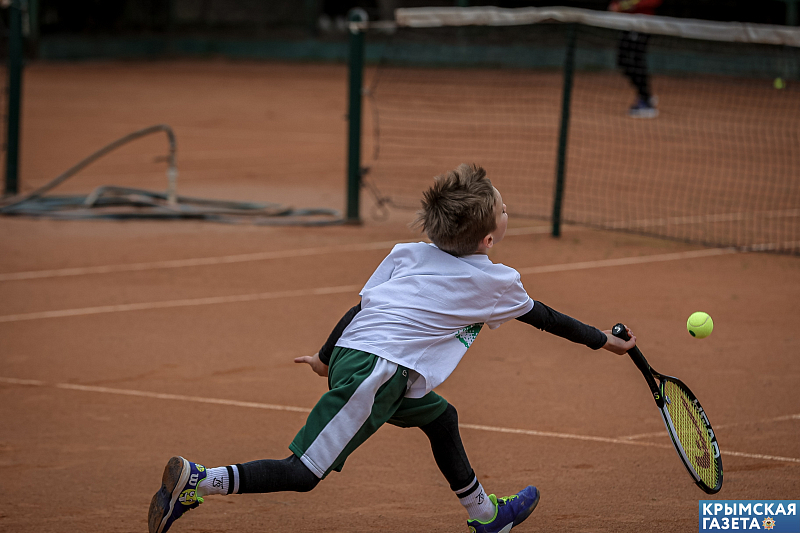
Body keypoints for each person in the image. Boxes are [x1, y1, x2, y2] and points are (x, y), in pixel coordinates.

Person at [147, 163, 636, 533]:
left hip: (363, 356)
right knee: (305, 472)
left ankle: (486, 516)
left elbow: (362, 307)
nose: (508, 212)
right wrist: (606, 341)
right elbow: (547, 318)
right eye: (504, 211)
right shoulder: (495, 283)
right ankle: (199, 481)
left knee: (441, 418)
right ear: (488, 239)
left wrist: (325, 357)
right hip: (378, 371)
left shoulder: (408, 254)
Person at [609, 0, 663, 118]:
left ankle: (646, 102)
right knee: (622, 61)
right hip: (628, 24)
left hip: (643, 24)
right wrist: (616, 4)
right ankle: (646, 95)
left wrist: (625, 5)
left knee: (637, 61)